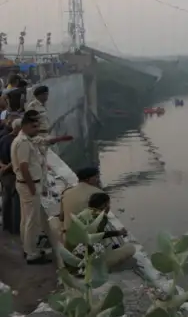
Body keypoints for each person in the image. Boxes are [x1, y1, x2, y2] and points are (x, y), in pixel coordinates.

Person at [12, 111, 73, 264]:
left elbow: (44, 141)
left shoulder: (30, 139)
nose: (37, 128)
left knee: (30, 219)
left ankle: (29, 247)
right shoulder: (23, 143)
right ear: (25, 125)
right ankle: (32, 254)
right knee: (31, 220)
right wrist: (33, 188)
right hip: (28, 185)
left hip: (29, 184)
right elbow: (24, 167)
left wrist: (61, 138)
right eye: (34, 125)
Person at [85, 192, 135, 270]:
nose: (109, 207)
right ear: (104, 206)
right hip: (92, 265)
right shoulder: (101, 217)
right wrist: (119, 232)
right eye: (108, 204)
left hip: (77, 258)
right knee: (130, 248)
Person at [0, 118, 21, 234]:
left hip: (4, 175)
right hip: (13, 174)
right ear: (17, 128)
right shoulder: (17, 142)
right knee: (15, 202)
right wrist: (7, 167)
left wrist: (2, 167)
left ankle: (6, 226)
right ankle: (15, 228)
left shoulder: (3, 139)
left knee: (6, 199)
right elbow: (16, 160)